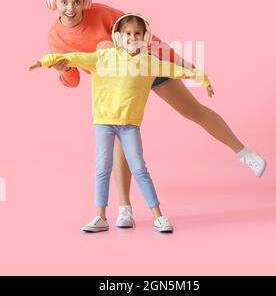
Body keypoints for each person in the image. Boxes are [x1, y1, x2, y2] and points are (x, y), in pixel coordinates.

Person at [46, 0, 267, 228]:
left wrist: (185, 65)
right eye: (64, 2)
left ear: (85, 1)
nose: (71, 8)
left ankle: (245, 153)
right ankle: (124, 209)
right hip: (117, 85)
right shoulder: (55, 37)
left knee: (193, 111)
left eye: (77, 2)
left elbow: (145, 36)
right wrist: (62, 69)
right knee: (119, 134)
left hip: (146, 65)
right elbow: (72, 79)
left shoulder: (101, 13)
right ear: (53, 2)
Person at [30, 13, 212, 233]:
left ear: (145, 38)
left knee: (139, 169)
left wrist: (203, 79)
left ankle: (159, 216)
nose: (132, 37)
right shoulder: (103, 57)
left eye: (137, 33)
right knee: (102, 169)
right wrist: (44, 61)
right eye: (127, 33)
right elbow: (73, 56)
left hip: (129, 125)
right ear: (118, 36)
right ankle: (100, 217)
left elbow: (178, 70)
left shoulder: (150, 63)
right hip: (103, 123)